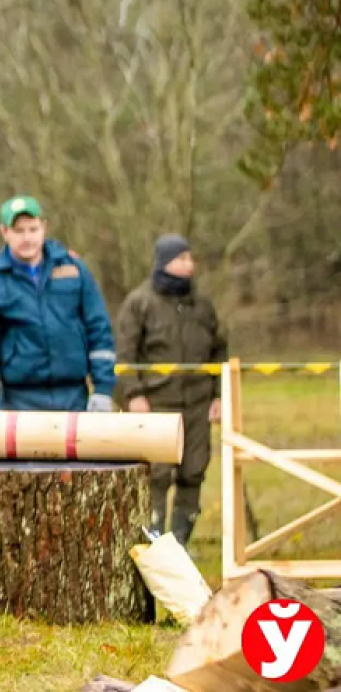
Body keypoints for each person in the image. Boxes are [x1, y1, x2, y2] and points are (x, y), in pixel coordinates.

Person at [115, 234, 227, 547]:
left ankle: (180, 544)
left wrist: (218, 394)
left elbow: (219, 351)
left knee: (193, 471)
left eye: (190, 258)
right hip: (155, 405)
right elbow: (125, 353)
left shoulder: (202, 305)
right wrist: (133, 393)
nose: (188, 265)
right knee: (157, 476)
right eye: (181, 258)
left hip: (197, 404)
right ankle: (152, 544)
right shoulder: (140, 302)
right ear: (164, 262)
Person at [0, 196, 117, 412]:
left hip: (74, 397)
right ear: (4, 232)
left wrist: (103, 390)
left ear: (43, 228)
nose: (27, 238)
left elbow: (99, 329)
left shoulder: (75, 269)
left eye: (33, 229)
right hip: (19, 402)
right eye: (18, 231)